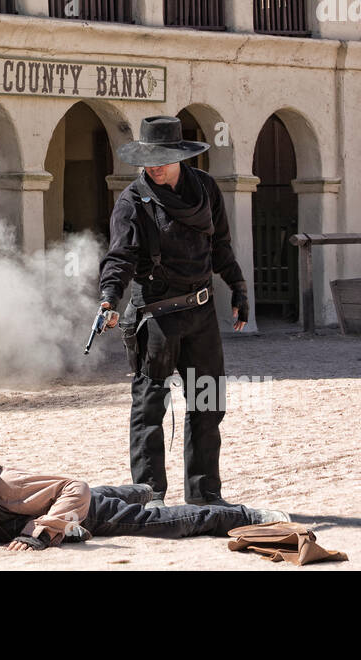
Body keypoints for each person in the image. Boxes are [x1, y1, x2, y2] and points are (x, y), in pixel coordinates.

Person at [98, 115, 250, 509]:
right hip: (156, 316)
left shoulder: (206, 189)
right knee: (150, 407)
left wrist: (238, 287)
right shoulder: (132, 201)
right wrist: (109, 298)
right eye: (148, 160)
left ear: (181, 155)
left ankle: (205, 495)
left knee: (208, 402)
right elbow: (120, 257)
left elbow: (221, 245)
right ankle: (149, 498)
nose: (154, 167)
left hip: (201, 312)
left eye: (162, 159)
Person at [0, 442, 287, 551]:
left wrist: (45, 529)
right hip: (57, 505)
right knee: (118, 496)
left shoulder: (4, 487)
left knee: (169, 524)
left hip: (81, 512)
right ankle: (140, 491)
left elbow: (72, 488)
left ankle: (246, 515)